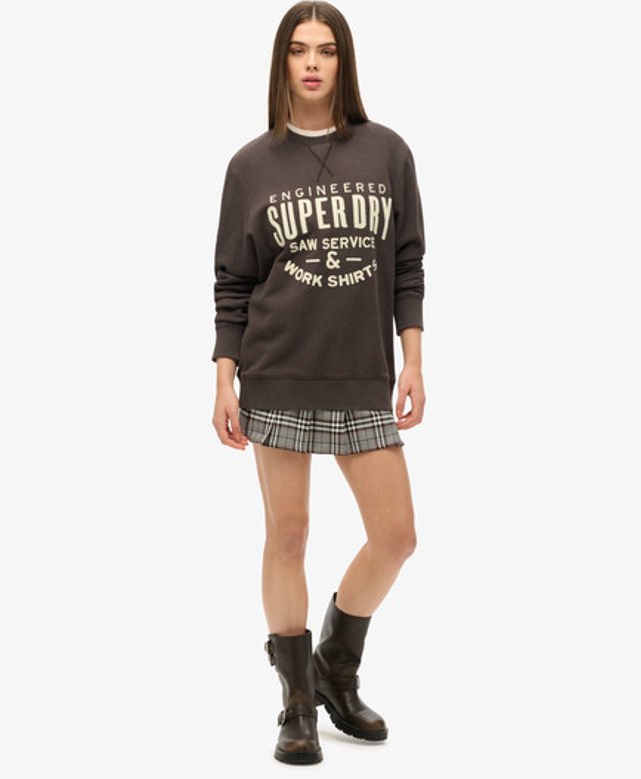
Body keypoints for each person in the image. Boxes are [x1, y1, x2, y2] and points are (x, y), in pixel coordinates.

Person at [211, 0, 426, 765]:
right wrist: (225, 377)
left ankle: (335, 663)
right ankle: (297, 701)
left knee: (396, 535)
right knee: (289, 532)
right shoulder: (250, 166)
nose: (311, 62)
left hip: (363, 374)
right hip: (277, 372)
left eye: (326, 50)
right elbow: (233, 282)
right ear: (282, 63)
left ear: (343, 62)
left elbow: (407, 262)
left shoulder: (388, 151)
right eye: (299, 49)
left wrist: (413, 358)